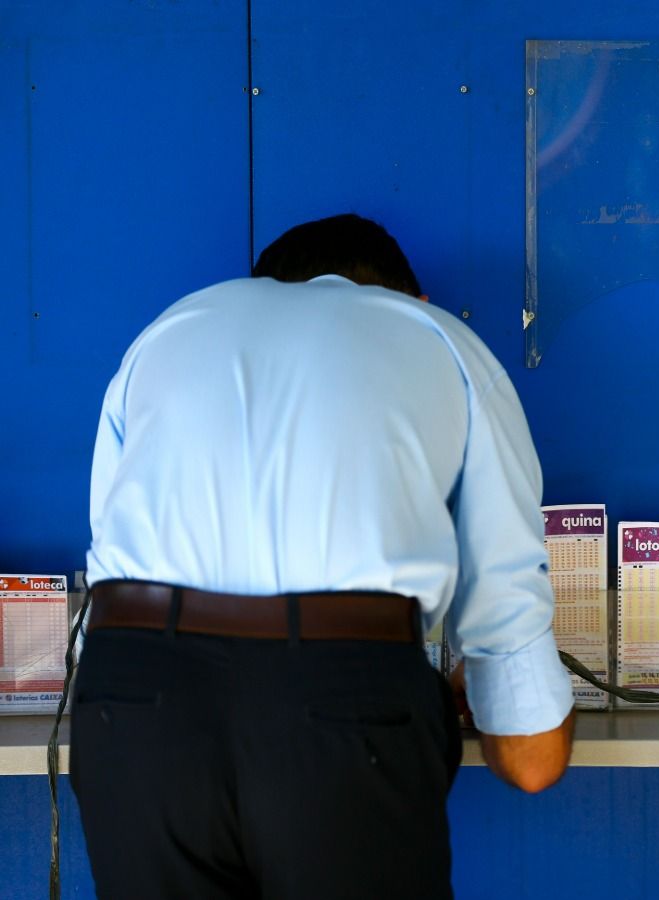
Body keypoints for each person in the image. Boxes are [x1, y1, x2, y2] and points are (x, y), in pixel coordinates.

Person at [70, 213, 575, 899]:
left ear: (261, 293)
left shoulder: (171, 331)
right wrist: (517, 727)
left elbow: (112, 557)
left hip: (130, 702)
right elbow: (528, 740)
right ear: (409, 301)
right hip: (340, 706)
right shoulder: (439, 339)